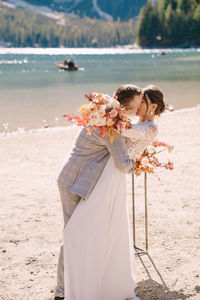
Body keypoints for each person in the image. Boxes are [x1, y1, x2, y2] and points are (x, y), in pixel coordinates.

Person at [54, 84, 165, 300]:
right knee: (73, 235)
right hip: (76, 181)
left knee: (89, 235)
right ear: (126, 106)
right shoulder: (110, 125)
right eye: (138, 102)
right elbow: (123, 163)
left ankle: (87, 281)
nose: (139, 106)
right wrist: (135, 165)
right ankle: (63, 290)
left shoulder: (114, 121)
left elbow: (127, 137)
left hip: (94, 181)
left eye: (143, 101)